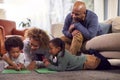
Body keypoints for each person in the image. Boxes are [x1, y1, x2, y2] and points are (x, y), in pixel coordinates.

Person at [43, 38, 111, 71]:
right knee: (106, 64)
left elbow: (61, 69)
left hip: (89, 62)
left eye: (51, 49)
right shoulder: (60, 53)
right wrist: (49, 62)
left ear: (58, 48)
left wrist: (49, 65)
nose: (49, 51)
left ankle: (94, 52)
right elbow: (58, 63)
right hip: (84, 59)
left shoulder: (62, 55)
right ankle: (93, 52)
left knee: (108, 66)